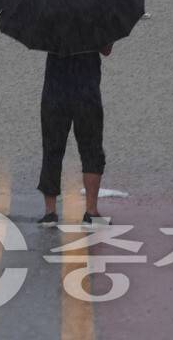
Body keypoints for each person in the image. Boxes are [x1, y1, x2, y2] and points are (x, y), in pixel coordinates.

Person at [38, 44, 110, 226]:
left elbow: (39, 39)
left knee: (52, 149)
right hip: (87, 91)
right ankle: (91, 211)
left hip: (55, 91)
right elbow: (106, 50)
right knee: (92, 149)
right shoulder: (93, 16)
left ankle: (50, 212)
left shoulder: (50, 15)